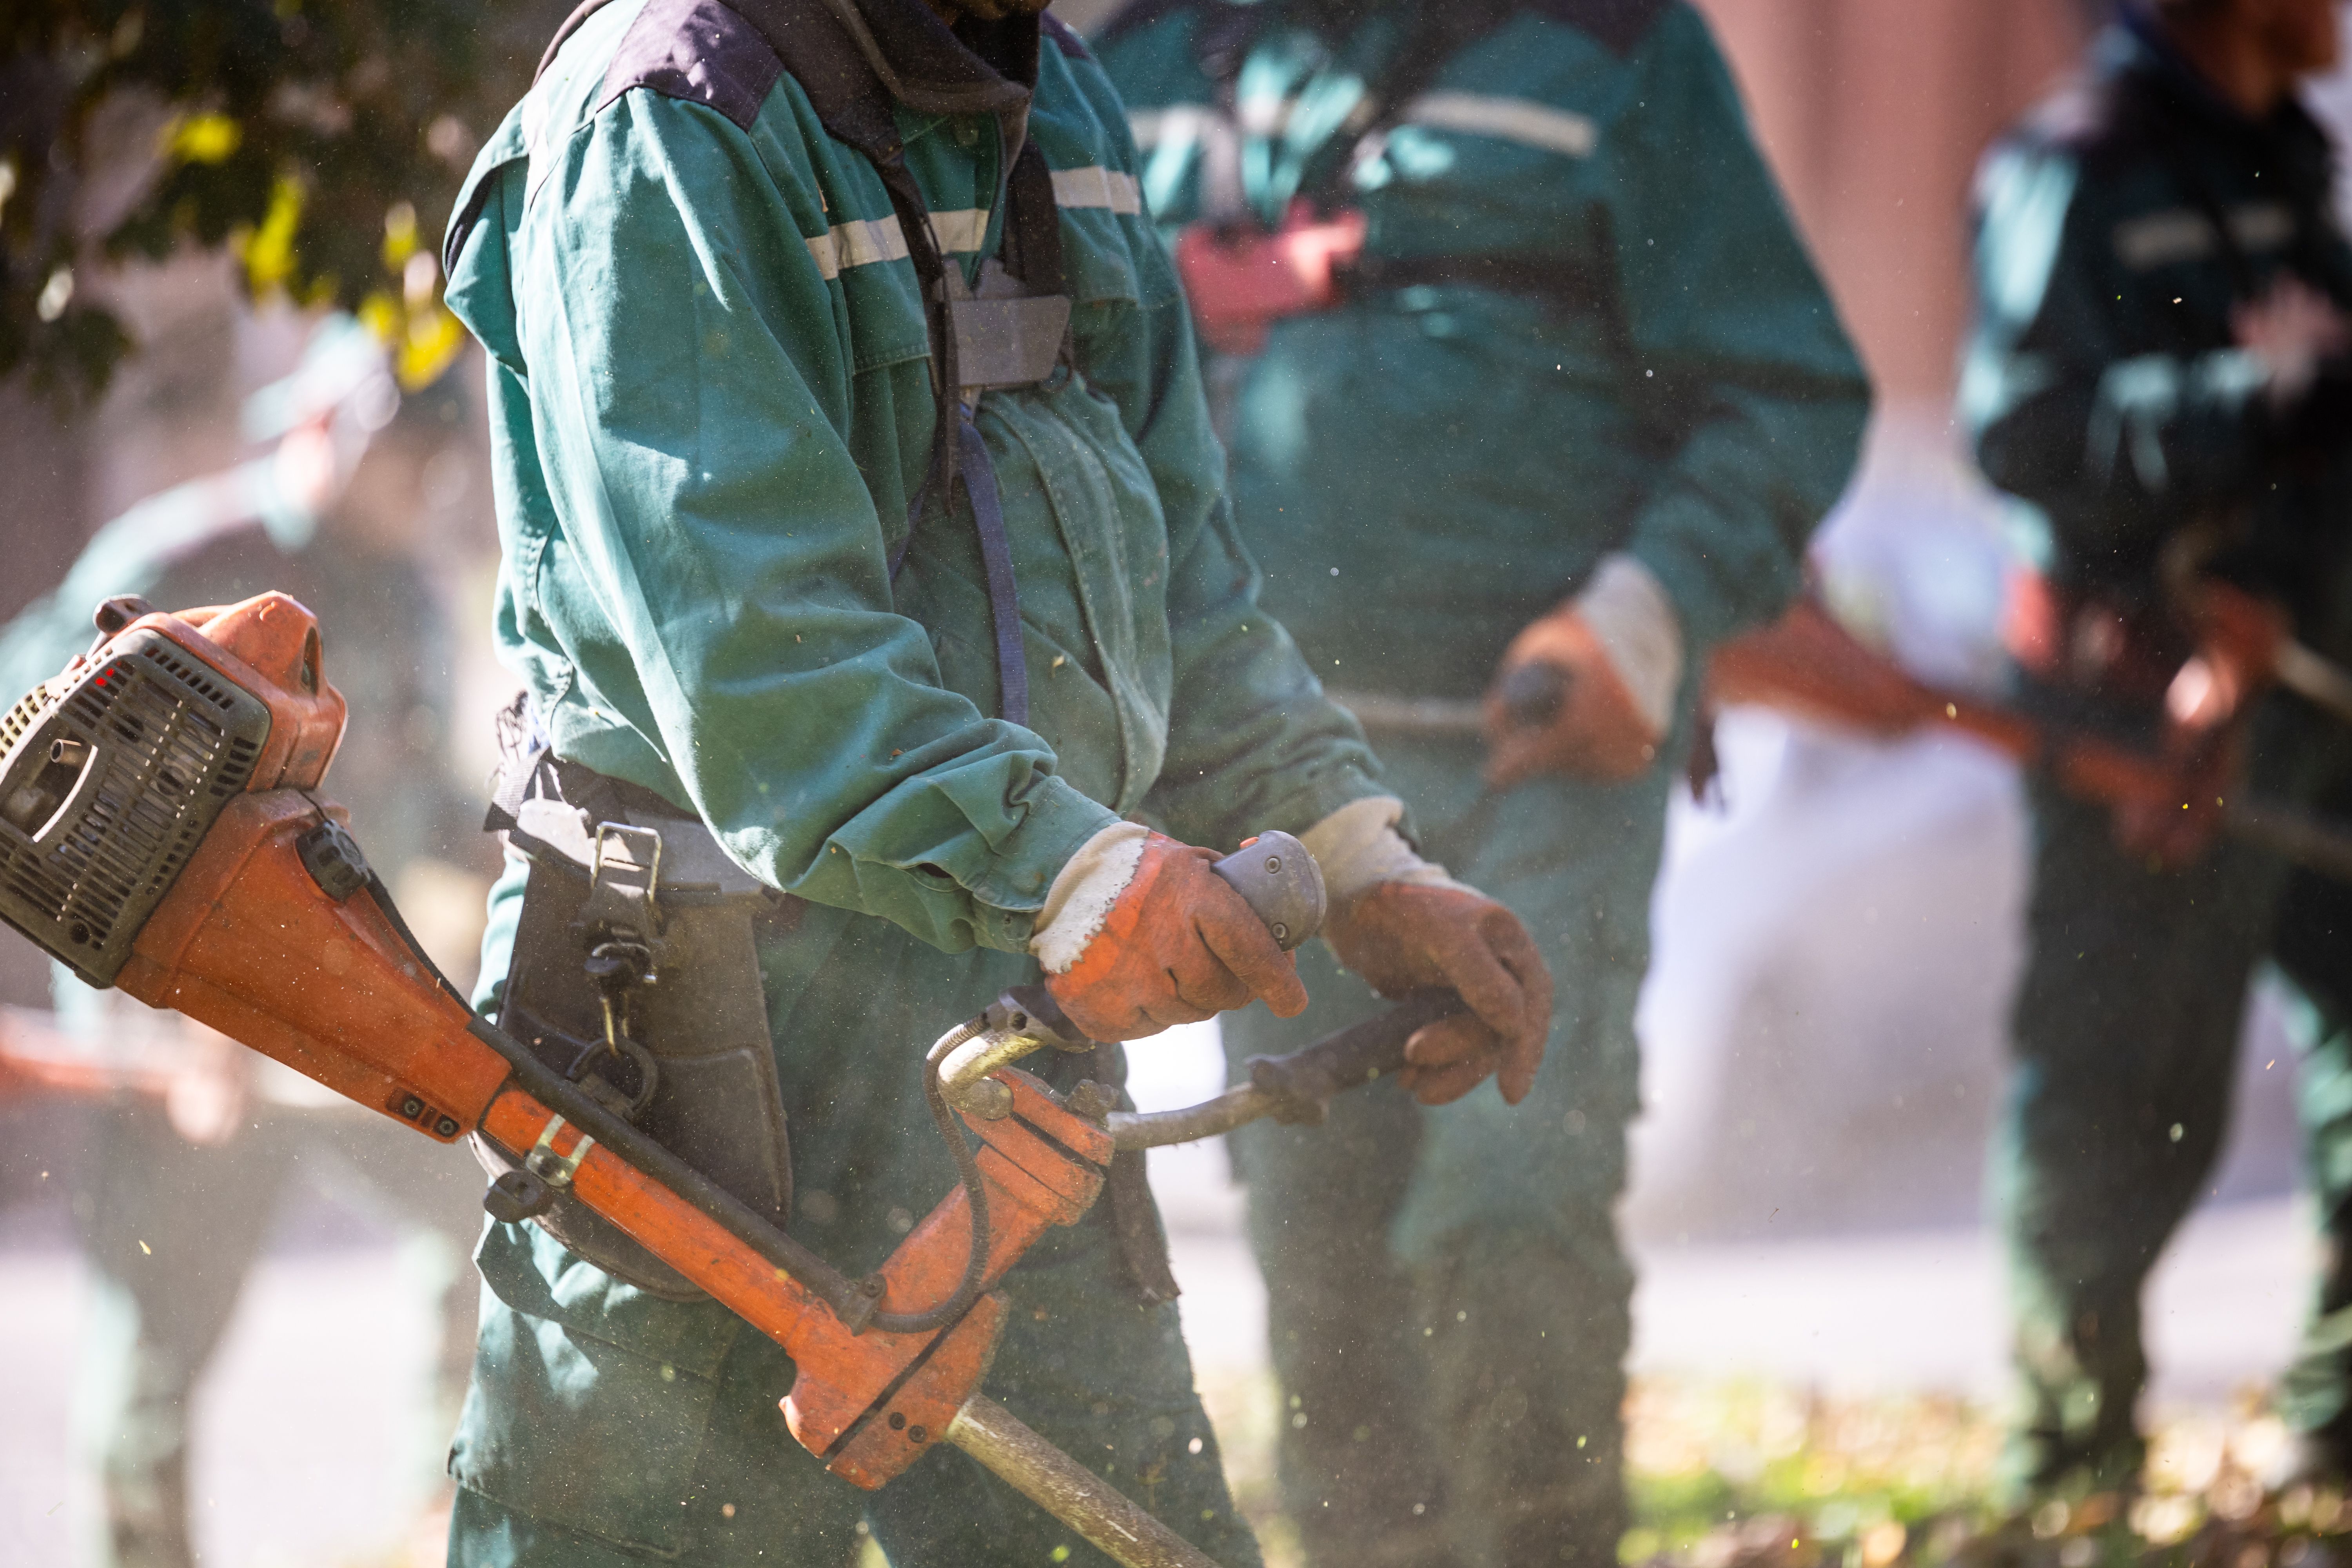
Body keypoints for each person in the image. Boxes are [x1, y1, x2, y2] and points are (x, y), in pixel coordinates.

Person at [432, 0, 1555, 1564]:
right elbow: (765, 660)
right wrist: (1075, 870)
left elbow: (1178, 586)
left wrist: (1354, 852)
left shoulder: (1055, 93)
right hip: (689, 1044)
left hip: (1000, 1038)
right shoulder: (668, 122)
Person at [1092, 5, 1871, 1566]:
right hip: (1258, 780)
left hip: (1541, 762)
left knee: (1509, 1208)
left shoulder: (1617, 47)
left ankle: (1548, 1543)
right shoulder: (1139, 64)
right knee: (1321, 1244)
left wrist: (1644, 618)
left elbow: (1789, 394)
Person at [0, 322, 494, 1568]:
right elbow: (36, 802)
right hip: (176, 1028)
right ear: (321, 425)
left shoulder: (405, 593)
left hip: (325, 1012)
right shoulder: (182, 561)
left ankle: (438, 1521)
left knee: (486, 1207)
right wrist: (135, 1027)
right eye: (402, 454)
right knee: (162, 1353)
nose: (420, 486)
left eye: (440, 463)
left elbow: (425, 805)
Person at [1962, 0, 2352, 1503]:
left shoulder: (2293, 168)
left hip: (2309, 683)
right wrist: (2265, 396)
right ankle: (2072, 1474)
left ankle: (2331, 1434)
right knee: (2127, 1089)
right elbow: (2026, 436)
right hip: (2143, 700)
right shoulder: (2074, 168)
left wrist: (2268, 566)